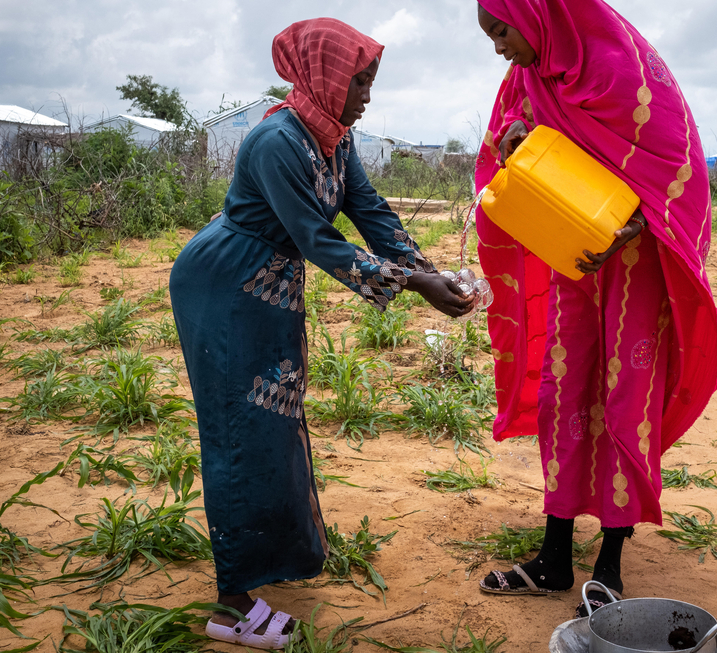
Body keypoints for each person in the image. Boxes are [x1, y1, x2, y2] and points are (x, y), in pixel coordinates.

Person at [170, 18, 474, 649]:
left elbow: (369, 211)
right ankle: (229, 604)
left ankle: (268, 563)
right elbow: (318, 239)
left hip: (269, 290)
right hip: (224, 285)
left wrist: (426, 268)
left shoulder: (333, 138)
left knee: (274, 420)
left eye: (370, 81)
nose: (367, 95)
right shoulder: (277, 141)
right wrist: (418, 287)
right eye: (360, 81)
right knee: (237, 430)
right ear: (330, 76)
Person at [472, 0, 717, 616]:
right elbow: (515, 152)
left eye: (501, 30)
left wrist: (634, 222)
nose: (499, 46)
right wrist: (515, 146)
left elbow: (674, 165)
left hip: (637, 267)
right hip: (573, 258)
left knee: (622, 398)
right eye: (492, 35)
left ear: (534, 14)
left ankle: (609, 564)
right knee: (562, 393)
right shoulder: (527, 77)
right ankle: (554, 557)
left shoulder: (620, 71)